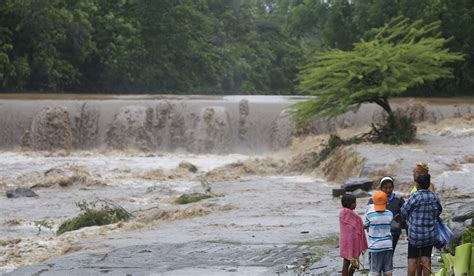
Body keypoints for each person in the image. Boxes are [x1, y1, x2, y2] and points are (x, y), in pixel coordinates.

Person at [401, 173, 442, 276]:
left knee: (412, 261)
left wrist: (410, 219)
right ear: (428, 184)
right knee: (426, 260)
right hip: (429, 235)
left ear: (418, 185)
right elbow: (439, 211)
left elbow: (403, 211)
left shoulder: (415, 196)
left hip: (415, 235)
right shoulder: (434, 196)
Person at [368, 176, 406, 252]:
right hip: (378, 233)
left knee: (390, 253)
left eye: (390, 188)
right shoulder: (373, 199)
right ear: (381, 188)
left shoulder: (398, 199)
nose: (388, 190)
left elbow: (405, 213)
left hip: (394, 232)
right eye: (385, 188)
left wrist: (400, 223)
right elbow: (368, 215)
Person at [365, 191, 394, 276]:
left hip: (375, 247)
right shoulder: (390, 214)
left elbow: (365, 225)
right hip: (388, 246)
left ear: (373, 202)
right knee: (388, 271)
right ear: (386, 202)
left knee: (375, 272)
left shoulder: (369, 214)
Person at [339, 194, 368, 276]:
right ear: (349, 204)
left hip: (352, 243)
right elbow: (355, 225)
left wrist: (362, 227)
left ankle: (350, 274)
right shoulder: (345, 214)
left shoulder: (349, 213)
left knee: (354, 262)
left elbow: (356, 226)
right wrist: (362, 227)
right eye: (354, 203)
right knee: (347, 262)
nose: (356, 204)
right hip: (348, 243)